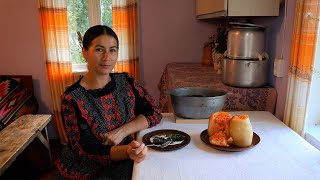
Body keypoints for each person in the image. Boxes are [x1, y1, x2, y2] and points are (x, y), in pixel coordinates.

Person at [55, 25, 162, 179]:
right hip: (87, 168)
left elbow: (153, 112)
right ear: (84, 52)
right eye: (99, 49)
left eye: (112, 50)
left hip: (125, 154)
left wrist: (123, 131)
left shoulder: (126, 82)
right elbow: (84, 150)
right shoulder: (72, 98)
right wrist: (126, 151)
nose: (107, 57)